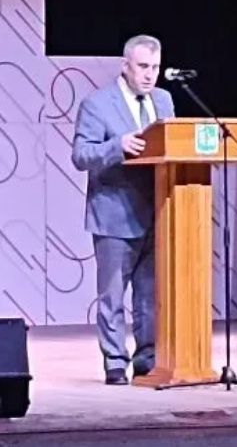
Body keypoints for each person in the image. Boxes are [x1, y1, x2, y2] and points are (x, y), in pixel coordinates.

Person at [70, 34, 174, 385]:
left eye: (155, 67)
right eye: (143, 66)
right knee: (112, 296)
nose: (149, 74)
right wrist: (117, 145)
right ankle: (115, 362)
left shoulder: (164, 100)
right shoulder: (97, 104)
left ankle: (147, 359)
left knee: (150, 297)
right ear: (125, 66)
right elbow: (81, 155)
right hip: (114, 214)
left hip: (158, 211)